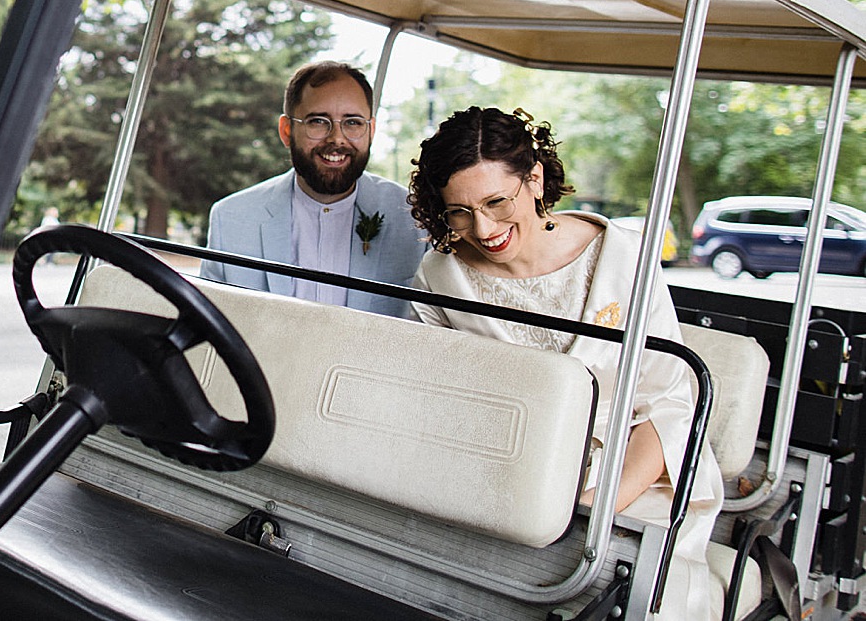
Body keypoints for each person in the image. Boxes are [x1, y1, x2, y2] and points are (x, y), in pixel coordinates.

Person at [406, 106, 722, 620]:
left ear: (533, 179)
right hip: (501, 480)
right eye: (459, 212)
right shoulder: (441, 276)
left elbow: (671, 406)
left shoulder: (623, 260)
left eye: (495, 201)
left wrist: (588, 510)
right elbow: (445, 405)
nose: (482, 228)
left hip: (631, 480)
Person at [198, 60, 425, 316]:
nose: (337, 139)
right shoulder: (231, 218)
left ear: (371, 130)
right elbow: (208, 326)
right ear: (286, 130)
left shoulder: (413, 216)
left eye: (352, 122)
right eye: (318, 121)